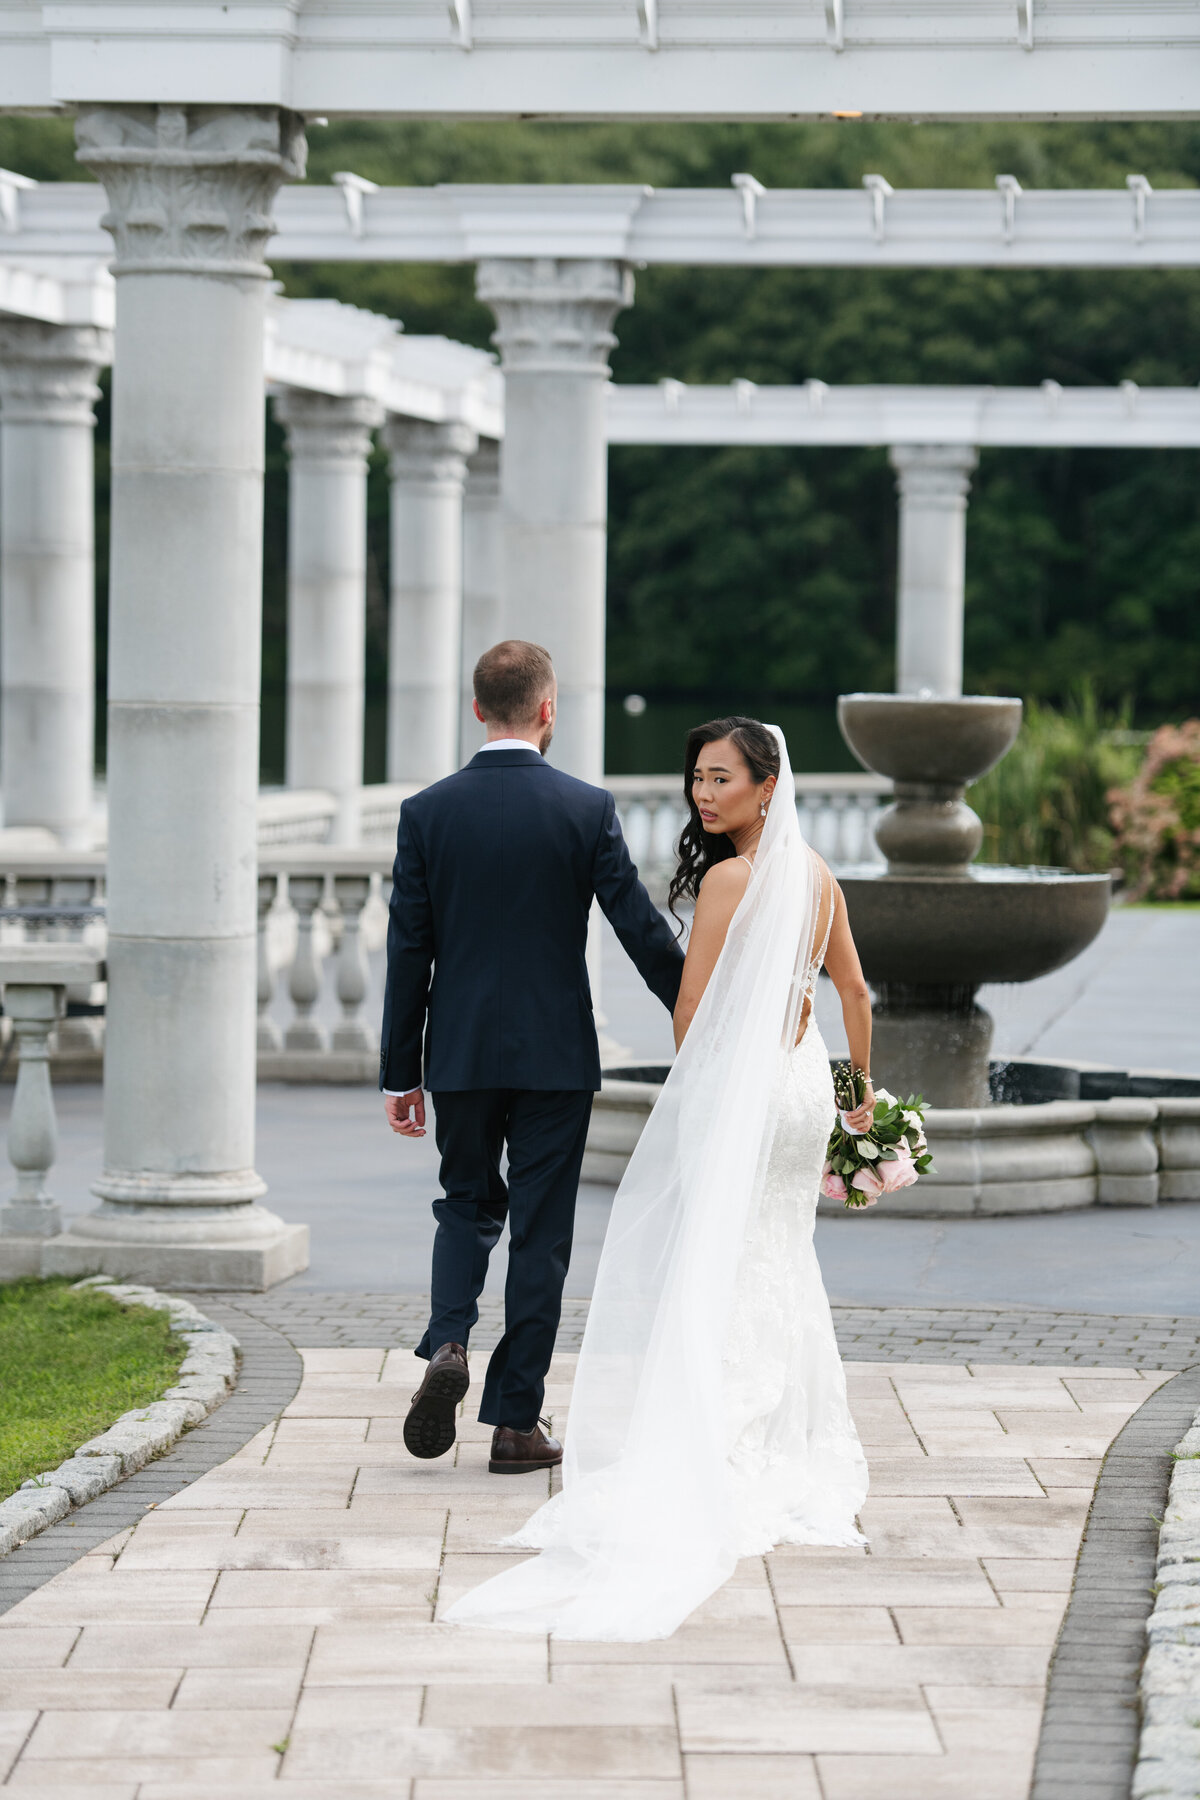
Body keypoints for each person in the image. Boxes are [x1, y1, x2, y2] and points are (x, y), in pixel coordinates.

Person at [443, 716, 875, 1641]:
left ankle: (717, 1444)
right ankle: (784, 1443)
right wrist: (858, 1099)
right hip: (805, 1093)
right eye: (698, 779)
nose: (703, 794)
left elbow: (693, 1003)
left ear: (767, 786)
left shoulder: (729, 879)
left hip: (753, 1093)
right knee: (779, 1259)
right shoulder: (821, 880)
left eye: (720, 779)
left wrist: (702, 1093)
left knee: (722, 1259)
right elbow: (854, 995)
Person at [380, 639, 684, 1476]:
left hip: (461, 1051)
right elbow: (640, 932)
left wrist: (400, 1071)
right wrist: (700, 1012)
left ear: (478, 708)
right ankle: (516, 1425)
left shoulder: (427, 813)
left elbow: (410, 951)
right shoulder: (585, 809)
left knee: (465, 1203)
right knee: (540, 1237)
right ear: (548, 709)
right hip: (557, 1054)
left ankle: (447, 1341)